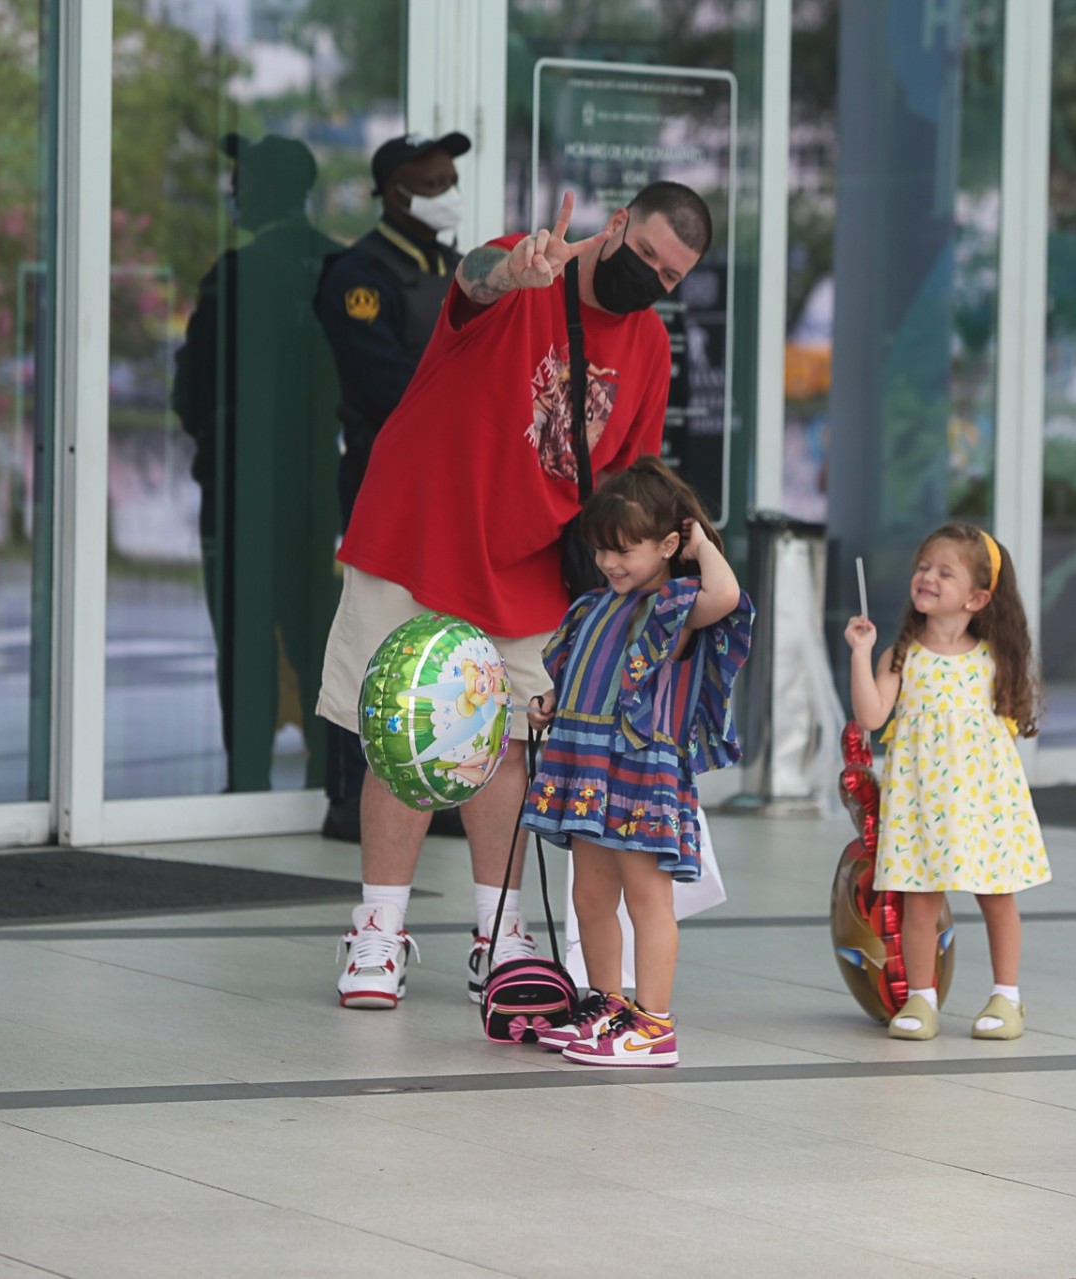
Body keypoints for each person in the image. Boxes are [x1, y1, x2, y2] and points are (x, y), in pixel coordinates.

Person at [316, 181, 713, 1010]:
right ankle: (378, 928)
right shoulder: (531, 271)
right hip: (423, 531)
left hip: (535, 564)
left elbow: (631, 485)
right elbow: (474, 278)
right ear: (613, 227)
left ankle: (500, 933)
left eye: (671, 277)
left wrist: (656, 583)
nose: (652, 279)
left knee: (509, 749)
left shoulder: (649, 346)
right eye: (644, 255)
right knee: (404, 730)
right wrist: (513, 270)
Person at [521, 458, 751, 1067]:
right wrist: (550, 702)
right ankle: (609, 1005)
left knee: (647, 900)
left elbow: (725, 595)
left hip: (639, 771)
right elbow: (579, 674)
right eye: (600, 551)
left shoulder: (676, 605)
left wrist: (700, 546)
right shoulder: (596, 607)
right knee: (590, 899)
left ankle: (653, 1024)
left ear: (669, 544)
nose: (609, 563)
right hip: (588, 769)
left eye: (623, 550)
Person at [313, 131, 471, 843]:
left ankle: (432, 785)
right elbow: (386, 386)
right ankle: (352, 798)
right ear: (397, 191)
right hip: (385, 482)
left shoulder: (460, 269)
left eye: (451, 177)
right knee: (375, 637)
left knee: (442, 640)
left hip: (455, 485)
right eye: (434, 181)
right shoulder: (359, 275)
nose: (449, 191)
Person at [173, 133, 343, 794]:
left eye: (240, 182)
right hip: (320, 500)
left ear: (263, 190)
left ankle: (245, 788)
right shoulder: (341, 268)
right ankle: (330, 785)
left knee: (246, 651)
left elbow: (191, 392)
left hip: (241, 498)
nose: (232, 193)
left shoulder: (235, 275)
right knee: (319, 646)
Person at [844, 523, 1050, 1042]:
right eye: (923, 568)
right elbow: (871, 716)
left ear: (978, 597)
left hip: (983, 803)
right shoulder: (902, 655)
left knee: (997, 897)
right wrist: (860, 654)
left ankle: (1007, 997)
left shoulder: (992, 659)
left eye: (944, 572)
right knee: (920, 902)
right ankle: (921, 996)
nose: (927, 577)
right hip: (920, 804)